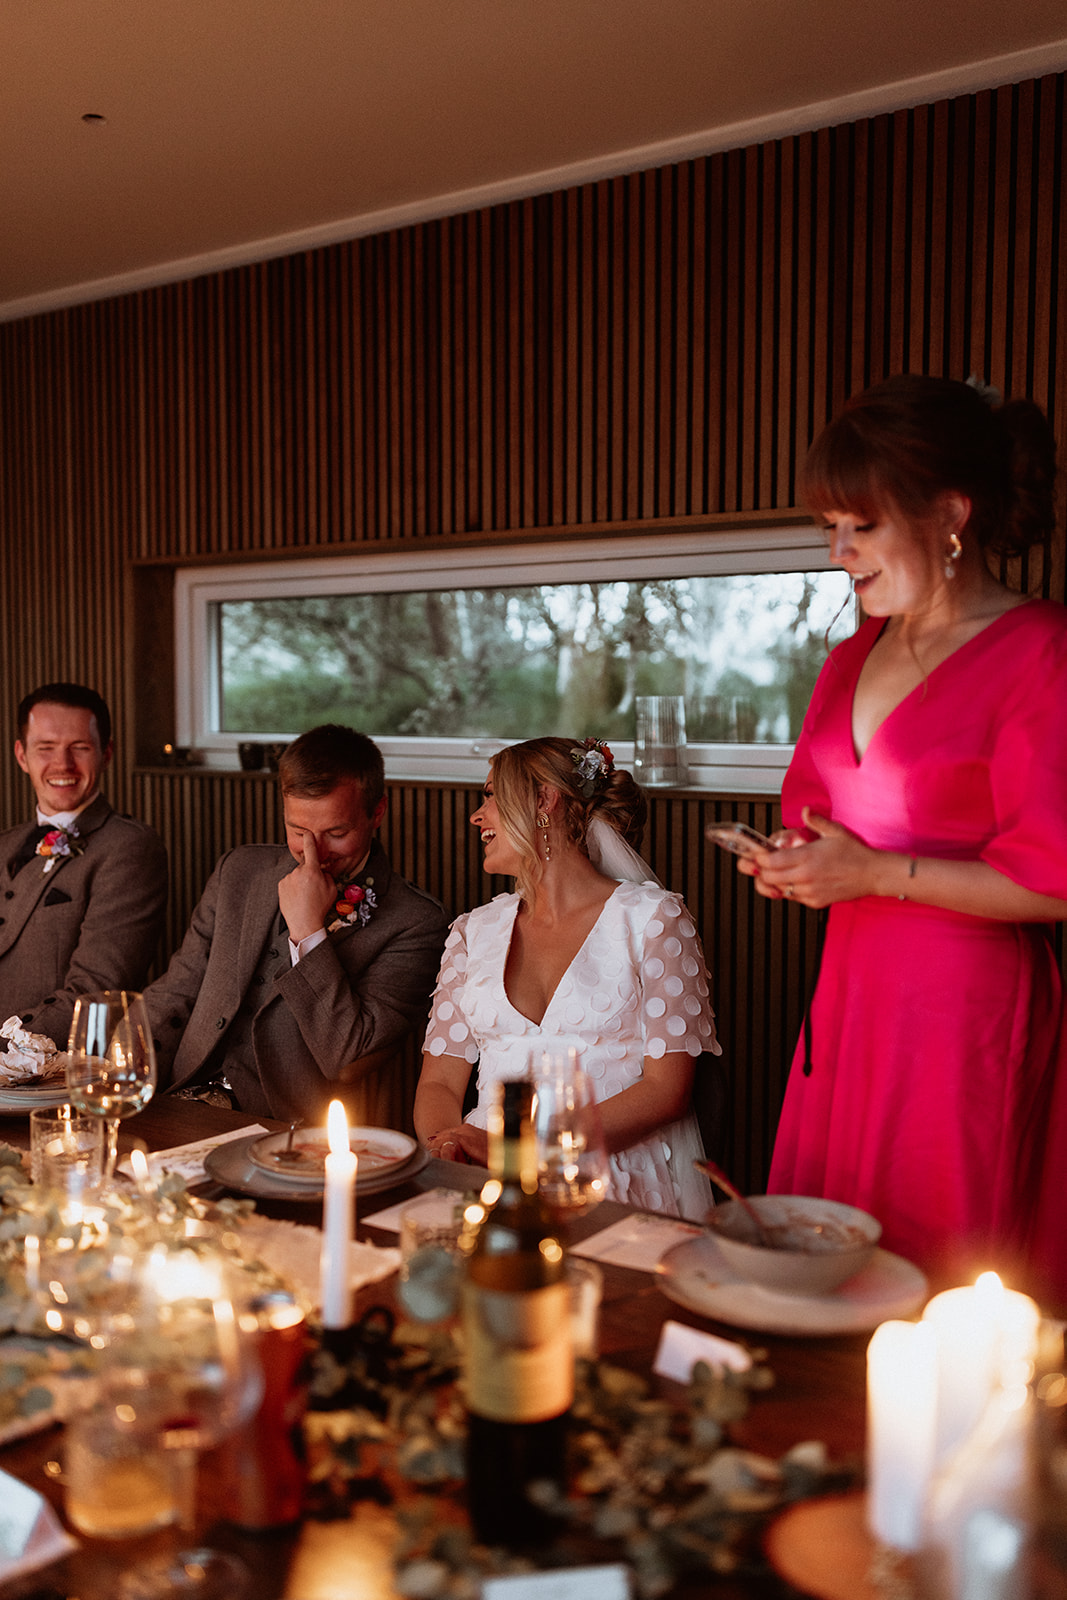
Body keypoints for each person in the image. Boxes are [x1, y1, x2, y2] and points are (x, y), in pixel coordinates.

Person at [737, 374, 1067, 1297]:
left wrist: (874, 873)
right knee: (826, 1254)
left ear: (948, 514)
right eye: (830, 529)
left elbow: (1054, 882)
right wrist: (793, 866)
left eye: (862, 527)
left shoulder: (1038, 649)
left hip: (961, 1009)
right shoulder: (847, 658)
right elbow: (816, 821)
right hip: (850, 997)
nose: (840, 553)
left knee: (938, 1266)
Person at [415, 736, 721, 1218]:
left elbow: (667, 1091)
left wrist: (522, 1154)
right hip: (479, 1172)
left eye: (491, 795)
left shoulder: (653, 920)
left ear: (544, 801)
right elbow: (439, 1085)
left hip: (607, 1177)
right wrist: (447, 1150)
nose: (478, 815)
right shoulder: (472, 933)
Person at [143, 724, 448, 1124]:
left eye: (336, 832)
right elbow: (176, 991)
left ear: (377, 813)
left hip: (285, 1128)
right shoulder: (240, 871)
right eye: (298, 829)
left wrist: (308, 933)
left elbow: (348, 1057)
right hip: (178, 1097)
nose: (313, 852)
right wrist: (114, 1073)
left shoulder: (416, 922)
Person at [0, 682, 168, 1052]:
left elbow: (95, 992)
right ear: (22, 755)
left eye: (80, 748)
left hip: (47, 1073)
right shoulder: (6, 842)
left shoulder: (130, 848)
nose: (63, 764)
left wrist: (10, 1052)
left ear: (106, 754)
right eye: (45, 748)